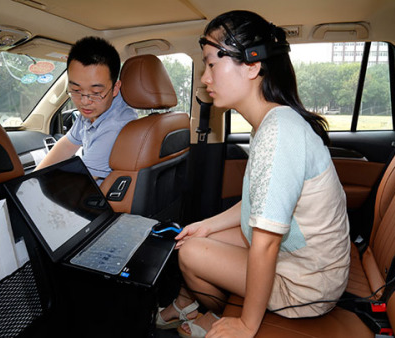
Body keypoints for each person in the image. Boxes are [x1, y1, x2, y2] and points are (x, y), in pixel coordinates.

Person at [156, 10, 350, 338]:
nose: (205, 78)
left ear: (252, 65)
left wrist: (247, 325)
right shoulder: (272, 123)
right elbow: (257, 203)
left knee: (189, 253)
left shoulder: (279, 133)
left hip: (307, 285)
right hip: (301, 259)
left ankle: (213, 319)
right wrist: (205, 225)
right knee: (198, 238)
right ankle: (190, 306)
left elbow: (266, 246)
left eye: (212, 64)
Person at [35, 37, 137, 184]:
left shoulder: (115, 126)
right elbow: (67, 144)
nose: (84, 102)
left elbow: (78, 183)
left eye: (96, 92)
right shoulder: (98, 108)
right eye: (75, 90)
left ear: (115, 88)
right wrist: (32, 180)